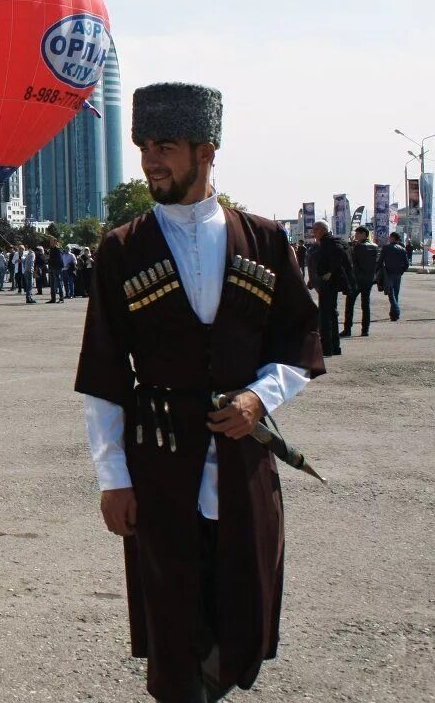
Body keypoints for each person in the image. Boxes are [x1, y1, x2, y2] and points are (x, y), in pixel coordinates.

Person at [75, 82, 324, 703]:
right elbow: (104, 374)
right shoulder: (122, 251)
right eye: (143, 147)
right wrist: (113, 479)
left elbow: (300, 339)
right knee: (173, 620)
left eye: (165, 146)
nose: (150, 160)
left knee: (243, 607)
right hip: (160, 463)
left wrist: (260, 398)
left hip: (244, 464)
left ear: (206, 151)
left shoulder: (264, 241)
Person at [307, 220, 351, 357]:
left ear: (321, 230)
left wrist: (330, 272)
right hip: (325, 283)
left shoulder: (330, 243)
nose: (313, 233)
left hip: (329, 283)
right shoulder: (323, 244)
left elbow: (339, 256)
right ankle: (334, 347)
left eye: (315, 230)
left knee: (326, 316)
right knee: (330, 313)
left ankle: (327, 348)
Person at [342, 226, 378, 338]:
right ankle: (365, 330)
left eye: (358, 233)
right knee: (365, 305)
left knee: (350, 305)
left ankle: (347, 329)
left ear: (364, 234)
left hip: (357, 279)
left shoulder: (357, 247)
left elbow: (352, 263)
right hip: (368, 279)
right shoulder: (374, 247)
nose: (356, 235)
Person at [376, 231, 410, 321]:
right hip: (398, 274)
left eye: (390, 237)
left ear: (392, 238)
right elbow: (406, 264)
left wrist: (376, 271)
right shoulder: (402, 249)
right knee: (395, 293)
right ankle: (393, 314)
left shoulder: (386, 248)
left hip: (388, 273)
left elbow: (380, 261)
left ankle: (396, 311)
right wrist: (401, 271)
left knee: (390, 293)